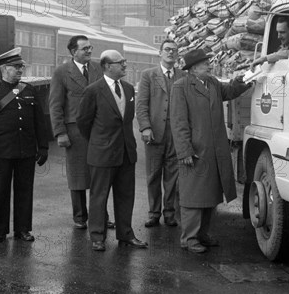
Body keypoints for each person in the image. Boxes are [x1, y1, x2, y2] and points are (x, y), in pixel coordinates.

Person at [170, 48, 251, 253]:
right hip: (196, 151)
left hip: (215, 150)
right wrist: (185, 151)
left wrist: (243, 81)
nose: (209, 65)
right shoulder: (181, 87)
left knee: (210, 195)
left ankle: (202, 234)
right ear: (194, 68)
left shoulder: (212, 83)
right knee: (193, 197)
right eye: (206, 63)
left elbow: (229, 92)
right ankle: (188, 238)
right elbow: (178, 122)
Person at [0, 48, 49, 243]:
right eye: (16, 67)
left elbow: (40, 122)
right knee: (1, 192)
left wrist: (43, 146)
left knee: (25, 190)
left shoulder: (30, 90)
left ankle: (22, 229)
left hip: (25, 150)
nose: (20, 70)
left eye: (21, 67)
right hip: (2, 152)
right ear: (4, 69)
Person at [77, 50, 147, 251]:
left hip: (126, 152)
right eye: (121, 63)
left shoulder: (127, 88)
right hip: (102, 153)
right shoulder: (93, 90)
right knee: (99, 196)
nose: (125, 66)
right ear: (107, 66)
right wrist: (99, 142)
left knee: (126, 195)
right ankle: (97, 236)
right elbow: (83, 122)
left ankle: (125, 234)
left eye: (124, 62)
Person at [49, 35, 114, 230]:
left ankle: (101, 216)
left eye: (90, 47)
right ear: (73, 52)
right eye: (84, 48)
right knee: (77, 175)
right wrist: (60, 132)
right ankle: (80, 216)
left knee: (99, 174)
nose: (89, 51)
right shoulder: (61, 72)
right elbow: (55, 105)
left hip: (98, 130)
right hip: (74, 131)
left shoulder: (97, 69)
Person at [136, 39, 184, 228]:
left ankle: (170, 213)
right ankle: (153, 213)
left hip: (175, 134)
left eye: (174, 50)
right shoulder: (148, 75)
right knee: (153, 175)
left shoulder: (182, 75)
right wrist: (145, 127)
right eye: (167, 50)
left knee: (173, 175)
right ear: (160, 53)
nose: (170, 53)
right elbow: (141, 105)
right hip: (154, 133)